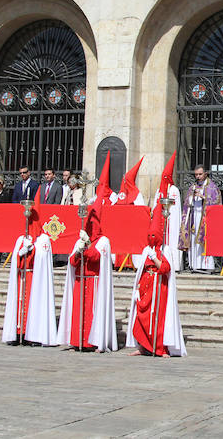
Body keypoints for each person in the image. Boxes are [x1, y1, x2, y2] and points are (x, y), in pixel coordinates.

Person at [57, 200, 118, 352]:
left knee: (91, 312)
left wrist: (88, 244)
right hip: (80, 281)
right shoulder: (80, 240)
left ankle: (93, 342)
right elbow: (72, 261)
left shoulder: (103, 241)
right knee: (78, 312)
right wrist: (78, 250)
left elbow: (97, 258)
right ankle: (77, 341)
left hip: (94, 282)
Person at [127, 207, 186, 357]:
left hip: (159, 287)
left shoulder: (164, 251)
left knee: (158, 318)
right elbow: (141, 269)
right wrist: (137, 288)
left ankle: (160, 348)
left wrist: (155, 258)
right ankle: (142, 347)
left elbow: (165, 268)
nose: (151, 237)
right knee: (142, 317)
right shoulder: (146, 249)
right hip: (145, 288)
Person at [1, 191, 57, 346]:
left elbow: (43, 258)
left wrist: (33, 250)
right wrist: (20, 253)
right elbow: (15, 260)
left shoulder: (44, 240)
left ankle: (33, 334)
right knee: (19, 303)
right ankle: (18, 332)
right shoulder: (22, 237)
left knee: (34, 304)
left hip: (35, 278)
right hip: (22, 277)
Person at [180, 164, 221, 272]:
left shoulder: (212, 187)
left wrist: (203, 197)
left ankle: (207, 265)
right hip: (194, 216)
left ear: (205, 174)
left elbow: (216, 202)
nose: (198, 176)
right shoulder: (192, 187)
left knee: (204, 239)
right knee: (194, 239)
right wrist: (191, 198)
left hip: (205, 218)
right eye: (196, 175)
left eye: (200, 174)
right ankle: (194, 264)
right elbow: (186, 203)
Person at [155, 151, 183, 271]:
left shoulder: (174, 190)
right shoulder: (159, 190)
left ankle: (174, 264)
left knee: (172, 239)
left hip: (172, 220)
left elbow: (176, 208)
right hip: (161, 219)